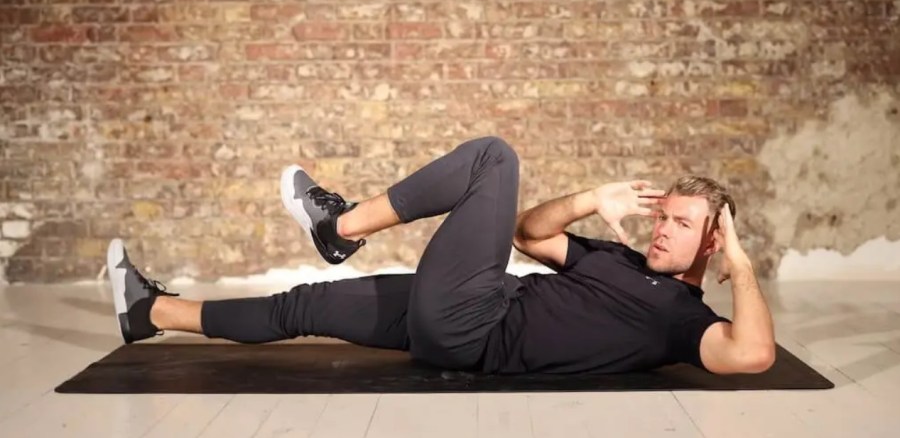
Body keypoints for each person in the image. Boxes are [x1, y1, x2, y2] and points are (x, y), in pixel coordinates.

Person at [107, 136, 775, 375]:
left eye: (680, 224)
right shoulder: (618, 262)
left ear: (712, 243)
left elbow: (752, 355)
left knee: (494, 157)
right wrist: (587, 199)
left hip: (472, 325)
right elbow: (530, 236)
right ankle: (150, 311)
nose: (659, 230)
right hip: (466, 313)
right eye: (661, 216)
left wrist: (738, 261)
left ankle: (340, 229)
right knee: (304, 305)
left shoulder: (685, 321)